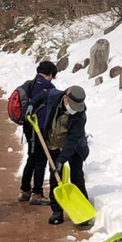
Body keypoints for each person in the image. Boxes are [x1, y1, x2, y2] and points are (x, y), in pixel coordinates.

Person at [39, 84, 90, 226]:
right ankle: (57, 212)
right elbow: (41, 96)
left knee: (77, 176)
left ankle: (82, 211)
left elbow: (73, 141)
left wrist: (62, 160)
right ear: (66, 99)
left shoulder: (80, 116)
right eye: (73, 106)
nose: (75, 110)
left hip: (74, 148)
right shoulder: (54, 96)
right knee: (55, 177)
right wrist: (31, 105)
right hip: (53, 143)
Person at [18, 60, 58, 204]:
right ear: (50, 74)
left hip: (29, 127)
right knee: (40, 159)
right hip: (38, 128)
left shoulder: (33, 82)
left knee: (32, 157)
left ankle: (25, 190)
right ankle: (37, 194)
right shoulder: (47, 86)